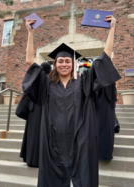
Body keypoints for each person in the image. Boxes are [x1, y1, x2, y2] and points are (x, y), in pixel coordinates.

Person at [23, 16, 120, 187]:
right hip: (54, 144)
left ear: (73, 64)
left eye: (67, 61)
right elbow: (30, 62)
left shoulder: (84, 82)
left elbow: (104, 59)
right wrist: (30, 33)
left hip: (79, 143)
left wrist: (112, 29)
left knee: (83, 178)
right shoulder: (46, 85)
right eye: (60, 61)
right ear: (55, 65)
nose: (64, 64)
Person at [19, 62, 51, 167]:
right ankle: (40, 160)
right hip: (44, 112)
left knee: (31, 135)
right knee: (42, 135)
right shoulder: (49, 81)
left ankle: (30, 159)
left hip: (33, 112)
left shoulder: (34, 80)